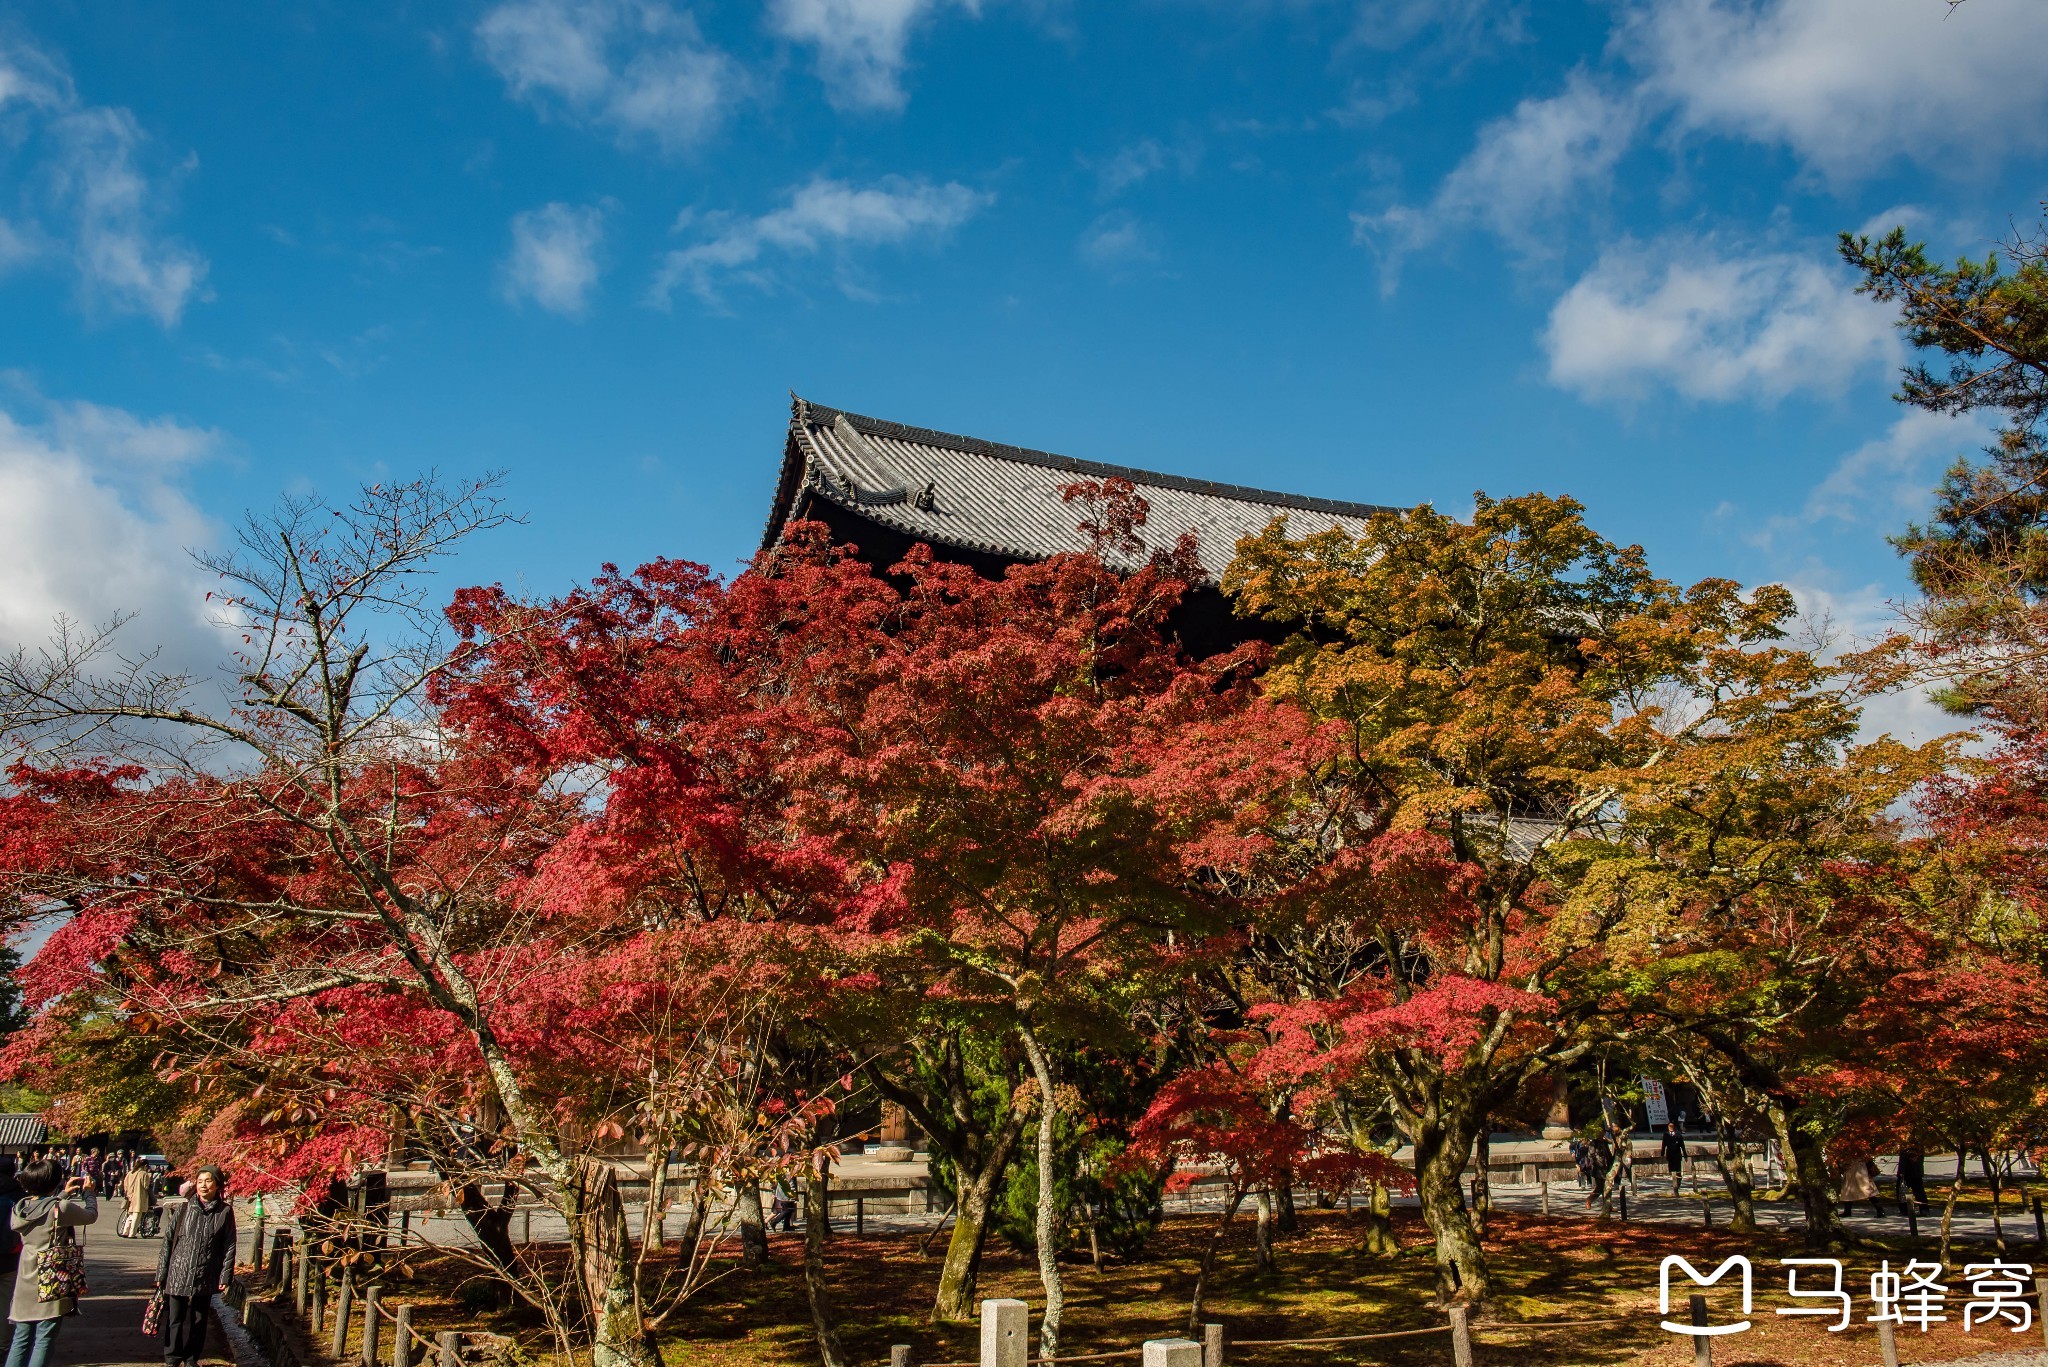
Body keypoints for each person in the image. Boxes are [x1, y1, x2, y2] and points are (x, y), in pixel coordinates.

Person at [7, 1159, 98, 1367]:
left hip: (25, 1277)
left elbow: (43, 1209)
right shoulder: (61, 1208)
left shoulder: (20, 1209)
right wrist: (89, 1193)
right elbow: (90, 1216)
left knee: (21, 1338)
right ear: (55, 1181)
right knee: (45, 1338)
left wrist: (63, 1194)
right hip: (52, 1275)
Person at [155, 1166, 235, 1367]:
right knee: (175, 1318)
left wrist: (225, 1276)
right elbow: (168, 1241)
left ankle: (191, 1358)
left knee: (199, 1320)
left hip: (205, 1271)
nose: (203, 1185)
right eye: (200, 1181)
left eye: (208, 1181)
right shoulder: (183, 1209)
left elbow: (229, 1245)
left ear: (217, 1184)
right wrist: (161, 1272)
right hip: (179, 1270)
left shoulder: (224, 1211)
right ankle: (172, 1358)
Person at [122, 1158, 156, 1239]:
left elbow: (125, 1184)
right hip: (139, 1197)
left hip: (130, 1196)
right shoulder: (144, 1174)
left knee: (130, 1215)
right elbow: (146, 1186)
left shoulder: (130, 1173)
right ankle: (132, 1234)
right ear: (145, 1166)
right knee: (137, 1215)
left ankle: (125, 1231)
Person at [1896, 1147, 1929, 1212]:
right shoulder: (1918, 1149)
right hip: (1916, 1173)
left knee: (1902, 1192)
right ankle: (1924, 1209)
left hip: (1907, 1174)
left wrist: (1901, 1172)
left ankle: (1904, 1209)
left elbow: (1904, 1161)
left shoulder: (1907, 1150)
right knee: (1919, 1192)